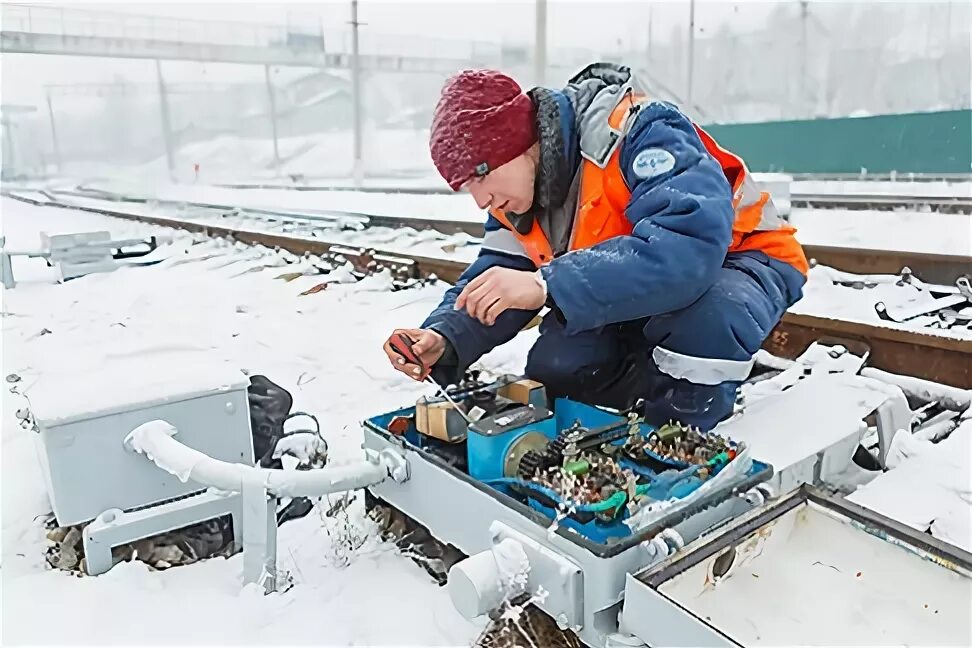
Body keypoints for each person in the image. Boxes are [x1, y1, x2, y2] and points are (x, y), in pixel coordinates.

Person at [383, 62, 808, 431]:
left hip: (741, 260)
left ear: (518, 145)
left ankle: (680, 437)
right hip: (640, 285)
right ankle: (642, 396)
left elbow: (687, 248)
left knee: (706, 322)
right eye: (465, 189)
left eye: (480, 177)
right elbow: (496, 274)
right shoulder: (517, 196)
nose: (479, 200)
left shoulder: (641, 131)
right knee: (559, 366)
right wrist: (444, 336)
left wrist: (547, 284)